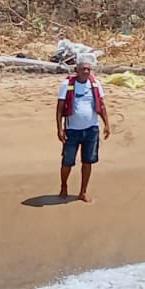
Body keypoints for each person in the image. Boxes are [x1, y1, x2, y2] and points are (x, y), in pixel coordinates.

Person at [56, 56, 111, 204]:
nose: (86, 71)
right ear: (77, 70)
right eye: (83, 69)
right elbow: (60, 108)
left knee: (88, 162)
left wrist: (106, 124)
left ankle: (83, 191)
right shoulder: (66, 84)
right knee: (67, 162)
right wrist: (60, 129)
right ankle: (64, 186)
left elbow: (102, 105)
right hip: (72, 130)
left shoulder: (95, 84)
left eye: (88, 69)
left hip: (92, 130)